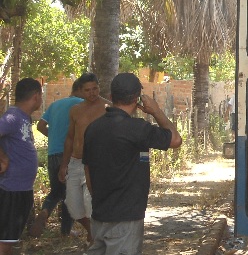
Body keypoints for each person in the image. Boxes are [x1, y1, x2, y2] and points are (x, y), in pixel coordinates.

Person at [82, 73, 182, 255]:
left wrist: (99, 200)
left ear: (111, 97)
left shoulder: (93, 129)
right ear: (137, 99)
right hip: (126, 218)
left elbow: (87, 171)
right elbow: (175, 140)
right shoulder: (138, 129)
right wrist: (156, 111)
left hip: (99, 216)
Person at [59, 73, 110, 243]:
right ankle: (92, 232)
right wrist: (63, 165)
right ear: (80, 91)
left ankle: (96, 240)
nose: (92, 93)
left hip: (96, 164)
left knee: (91, 206)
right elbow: (70, 138)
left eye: (95, 88)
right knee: (73, 206)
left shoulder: (107, 108)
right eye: (87, 90)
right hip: (75, 162)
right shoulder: (75, 110)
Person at [29, 79, 84, 237]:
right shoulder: (81, 104)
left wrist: (52, 137)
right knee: (69, 194)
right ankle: (65, 231)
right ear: (80, 89)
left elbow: (40, 126)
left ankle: (45, 211)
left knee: (55, 192)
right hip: (70, 155)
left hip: (53, 153)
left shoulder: (55, 105)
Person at [0, 78, 43, 255]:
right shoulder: (13, 117)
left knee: (9, 240)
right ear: (36, 96)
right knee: (4, 241)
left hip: (21, 190)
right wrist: (2, 157)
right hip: (11, 190)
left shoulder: (22, 118)